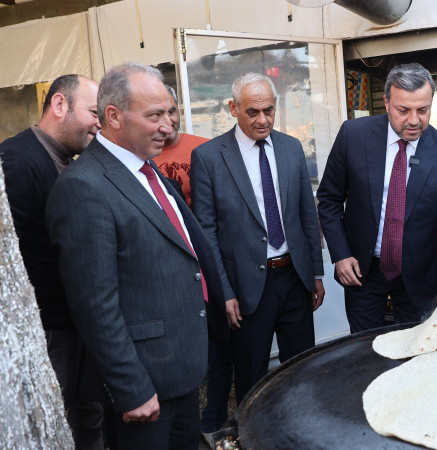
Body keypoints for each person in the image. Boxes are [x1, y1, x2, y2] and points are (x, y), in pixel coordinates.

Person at [46, 62, 228, 449]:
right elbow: (94, 304)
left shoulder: (146, 168)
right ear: (112, 116)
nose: (169, 125)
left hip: (180, 374)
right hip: (143, 390)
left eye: (170, 113)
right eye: (155, 115)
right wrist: (130, 387)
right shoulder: (83, 187)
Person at [190, 73, 325, 432]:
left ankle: (301, 431)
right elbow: (207, 233)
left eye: (269, 110)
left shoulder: (292, 148)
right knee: (250, 375)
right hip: (247, 287)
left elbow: (305, 216)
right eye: (252, 112)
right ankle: (255, 434)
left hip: (295, 278)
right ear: (233, 108)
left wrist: (315, 274)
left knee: (301, 366)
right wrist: (225, 293)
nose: (262, 120)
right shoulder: (208, 158)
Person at [317, 62, 437, 333]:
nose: (414, 120)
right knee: (363, 350)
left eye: (423, 110)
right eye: (403, 110)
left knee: (415, 351)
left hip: (417, 274)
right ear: (386, 102)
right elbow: (329, 200)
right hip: (361, 271)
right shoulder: (353, 135)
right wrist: (341, 254)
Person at [0, 74, 104, 449]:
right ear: (60, 105)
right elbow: (14, 257)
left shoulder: (68, 161)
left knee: (87, 415)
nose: (99, 123)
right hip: (48, 333)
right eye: (94, 112)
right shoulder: (16, 159)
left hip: (73, 327)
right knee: (58, 422)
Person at [152, 85, 209, 206]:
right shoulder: (138, 156)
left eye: (171, 112)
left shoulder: (205, 148)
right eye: (157, 114)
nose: (167, 121)